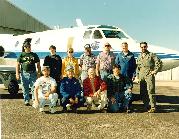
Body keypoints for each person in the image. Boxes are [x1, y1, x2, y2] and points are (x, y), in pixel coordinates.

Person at [136, 42, 162, 113]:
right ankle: (146, 106)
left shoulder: (151, 55)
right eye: (142, 47)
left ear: (147, 47)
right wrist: (137, 76)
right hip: (141, 75)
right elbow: (138, 67)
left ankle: (153, 107)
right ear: (140, 48)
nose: (143, 48)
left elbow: (159, 62)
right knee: (143, 92)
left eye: (144, 47)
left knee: (151, 91)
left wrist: (155, 71)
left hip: (149, 75)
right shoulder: (139, 56)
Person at [16, 39, 41, 106]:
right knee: (25, 87)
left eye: (29, 46)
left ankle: (34, 100)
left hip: (33, 73)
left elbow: (38, 65)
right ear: (24, 47)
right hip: (24, 73)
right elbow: (17, 65)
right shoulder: (21, 55)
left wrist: (39, 73)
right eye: (27, 47)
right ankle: (26, 100)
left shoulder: (34, 55)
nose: (28, 48)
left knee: (34, 87)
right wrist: (17, 74)